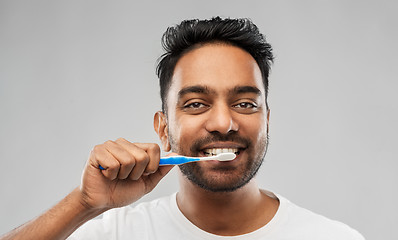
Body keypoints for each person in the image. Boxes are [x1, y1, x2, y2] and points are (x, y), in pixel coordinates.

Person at [0, 17, 365, 240]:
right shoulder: (112, 234)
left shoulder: (333, 238)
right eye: (195, 104)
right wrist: (81, 205)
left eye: (245, 103)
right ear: (163, 127)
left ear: (267, 119)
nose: (224, 122)